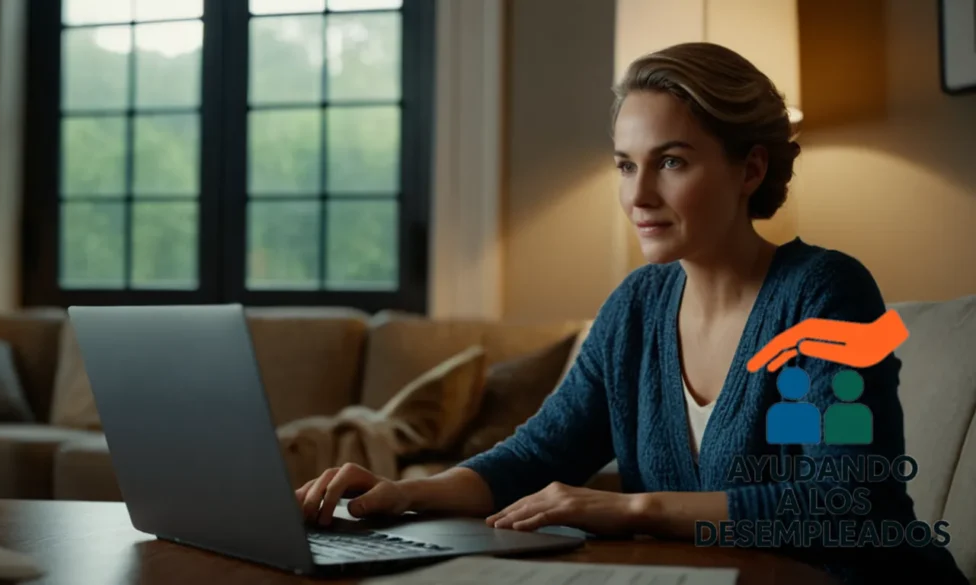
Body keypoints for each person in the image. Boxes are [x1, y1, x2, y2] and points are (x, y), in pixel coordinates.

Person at [294, 42, 968, 584]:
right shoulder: (636, 308)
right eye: (624, 165)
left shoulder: (826, 292)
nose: (638, 194)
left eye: (670, 162)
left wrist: (628, 509)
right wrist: (401, 493)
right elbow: (535, 454)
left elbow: (842, 502)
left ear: (750, 169)